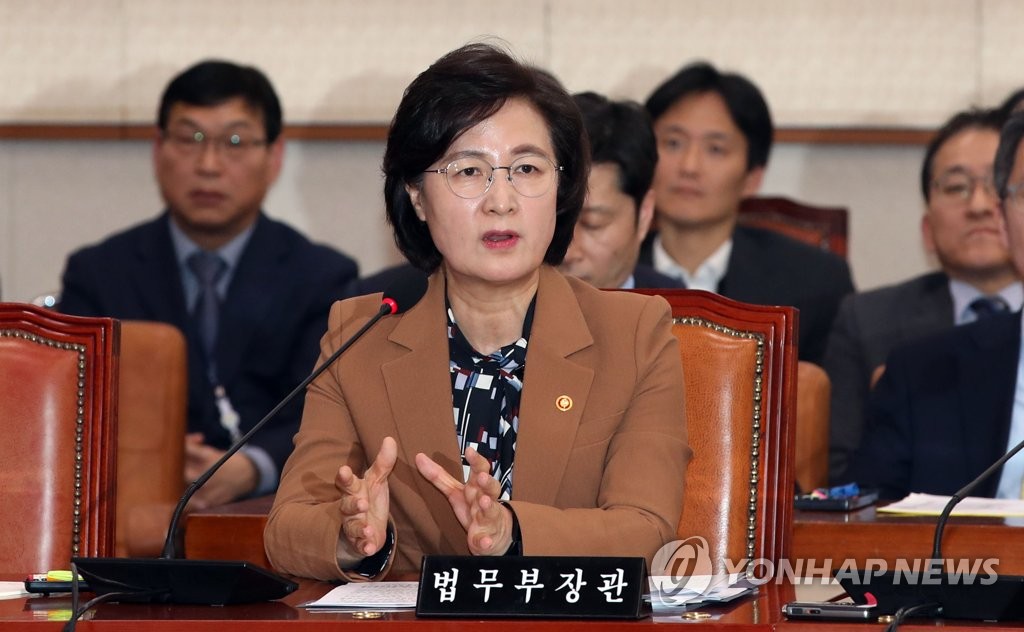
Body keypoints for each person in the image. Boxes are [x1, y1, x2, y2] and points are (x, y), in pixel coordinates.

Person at [264, 43, 690, 581]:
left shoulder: (633, 334)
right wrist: (354, 538)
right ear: (417, 196)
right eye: (469, 171)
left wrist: (512, 532)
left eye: (527, 168)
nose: (501, 201)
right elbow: (287, 528)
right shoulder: (359, 337)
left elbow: (647, 530)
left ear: (561, 188)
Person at [59, 60, 359, 509]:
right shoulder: (98, 273)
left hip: (265, 516)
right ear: (158, 149)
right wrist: (148, 457)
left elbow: (331, 413)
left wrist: (253, 466)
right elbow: (71, 407)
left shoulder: (322, 278)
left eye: (234, 142)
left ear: (274, 156)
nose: (208, 165)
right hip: (126, 511)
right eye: (189, 139)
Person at [825, 108, 1021, 483]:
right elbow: (844, 481)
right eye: (957, 187)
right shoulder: (871, 324)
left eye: (995, 184)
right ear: (927, 229)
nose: (979, 206)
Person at [638, 62, 854, 363]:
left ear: (753, 177)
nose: (689, 166)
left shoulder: (815, 281)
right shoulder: (610, 271)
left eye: (715, 149)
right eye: (673, 143)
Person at [558, 91, 683, 289]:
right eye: (557, 222)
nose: (567, 253)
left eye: (593, 224)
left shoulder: (678, 304)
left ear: (644, 215)